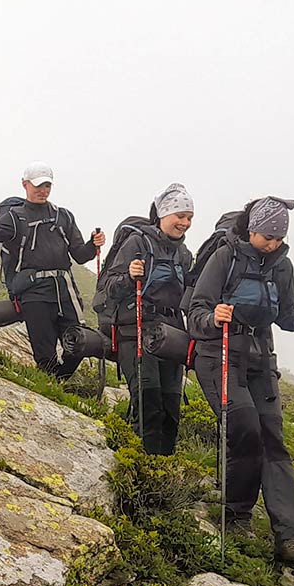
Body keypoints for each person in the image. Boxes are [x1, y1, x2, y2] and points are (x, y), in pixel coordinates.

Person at [185, 197, 294, 566]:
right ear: (251, 229)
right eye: (266, 236)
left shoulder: (282, 266)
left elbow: (286, 316)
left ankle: (289, 537)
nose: (271, 243)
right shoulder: (225, 257)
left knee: (274, 440)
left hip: (260, 358)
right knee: (244, 428)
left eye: (277, 238)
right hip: (219, 355)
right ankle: (237, 513)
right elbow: (195, 311)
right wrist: (214, 316)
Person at [0, 164, 105, 379]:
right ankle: (52, 387)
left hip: (64, 290)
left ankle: (58, 381)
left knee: (80, 342)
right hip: (33, 294)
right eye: (38, 185)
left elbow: (80, 255)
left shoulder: (64, 217)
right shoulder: (15, 217)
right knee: (44, 355)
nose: (43, 190)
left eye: (47, 185)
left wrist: (92, 244)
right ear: (25, 184)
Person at [96, 182, 195, 455]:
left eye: (189, 218)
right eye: (180, 216)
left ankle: (160, 472)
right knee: (148, 403)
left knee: (170, 410)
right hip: (136, 331)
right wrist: (129, 276)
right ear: (164, 214)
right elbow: (107, 290)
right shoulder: (137, 243)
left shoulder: (183, 254)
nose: (185, 223)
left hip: (171, 336)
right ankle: (138, 469)